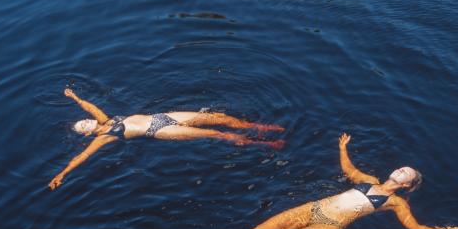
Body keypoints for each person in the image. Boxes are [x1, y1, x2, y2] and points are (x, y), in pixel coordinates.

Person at [198, 132, 458, 229]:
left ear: (407, 185)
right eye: (401, 168)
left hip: (331, 224)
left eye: (405, 173)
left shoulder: (396, 203)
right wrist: (343, 149)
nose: (399, 170)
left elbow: (415, 228)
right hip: (312, 208)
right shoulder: (370, 179)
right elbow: (350, 171)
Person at [49, 87, 285, 189]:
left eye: (85, 120)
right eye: (84, 126)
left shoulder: (104, 119)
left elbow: (90, 107)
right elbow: (82, 157)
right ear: (87, 133)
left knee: (216, 117)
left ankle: (258, 127)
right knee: (215, 133)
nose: (88, 121)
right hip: (159, 131)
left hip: (163, 116)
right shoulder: (102, 138)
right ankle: (262, 144)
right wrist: (62, 173)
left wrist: (75, 97)